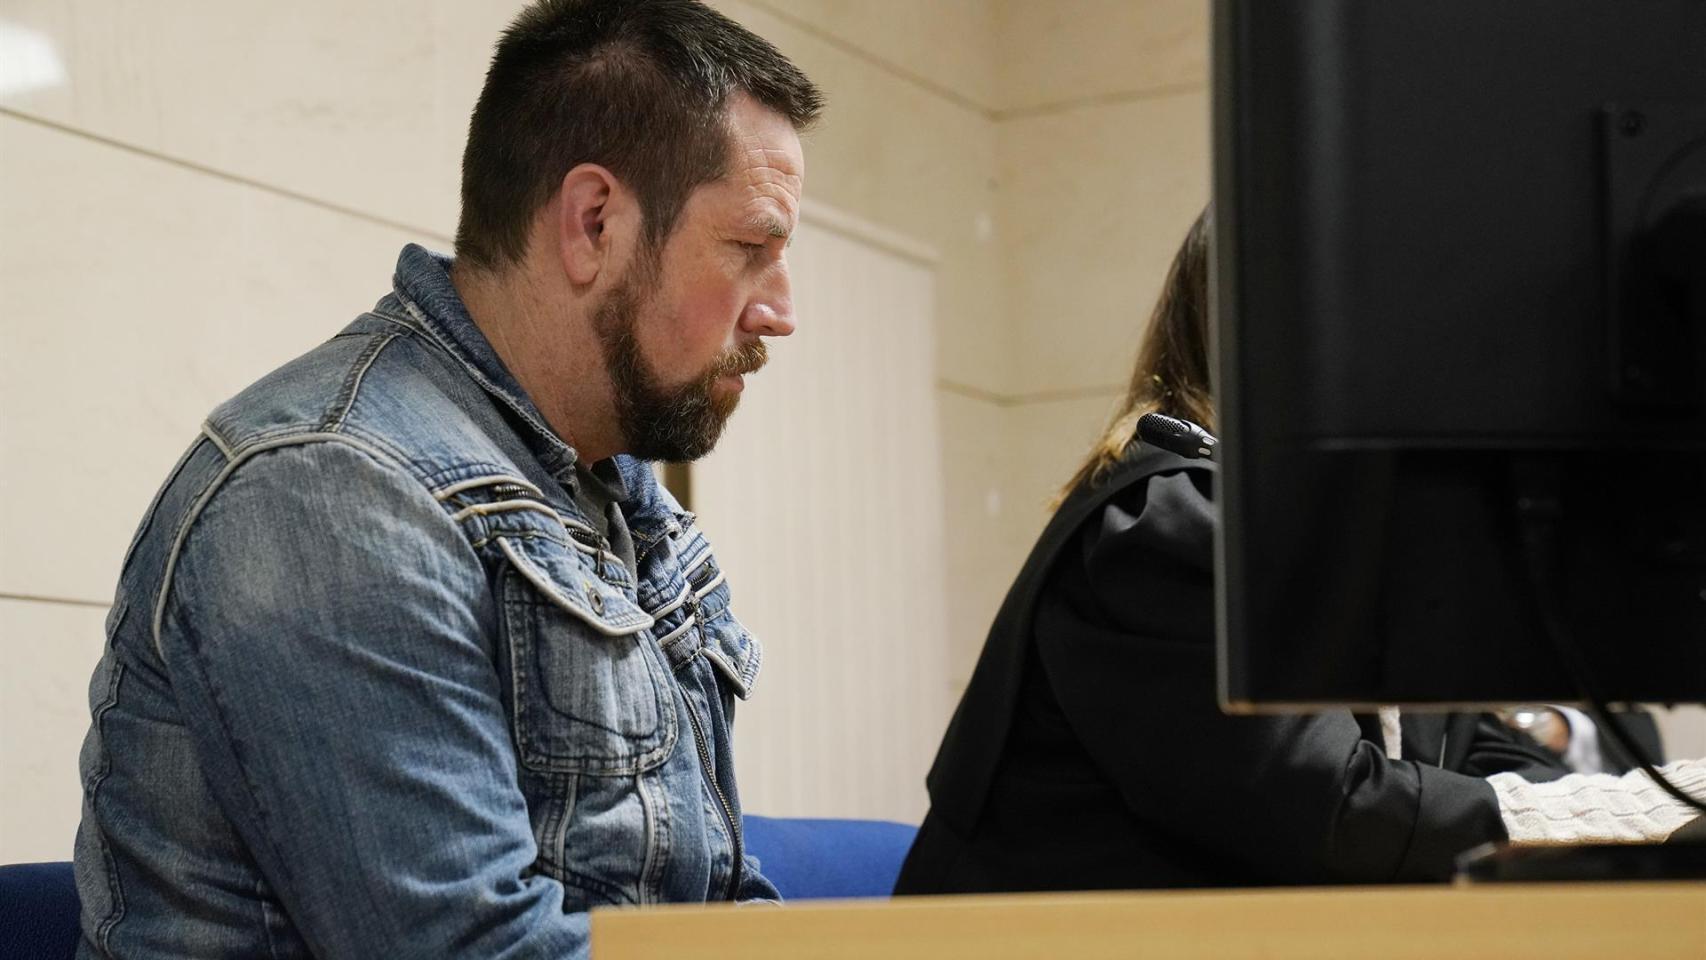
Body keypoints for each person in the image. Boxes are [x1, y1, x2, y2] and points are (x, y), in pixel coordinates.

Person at [72, 2, 821, 957]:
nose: (781, 310)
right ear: (594, 223)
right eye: (752, 248)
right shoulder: (326, 489)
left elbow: (713, 898)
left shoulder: (620, 499)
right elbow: (471, 950)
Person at [895, 209, 1706, 895]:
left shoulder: (1363, 540)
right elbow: (1333, 816)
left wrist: (1635, 808)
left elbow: (1478, 759)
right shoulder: (1173, 525)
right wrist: (1640, 810)